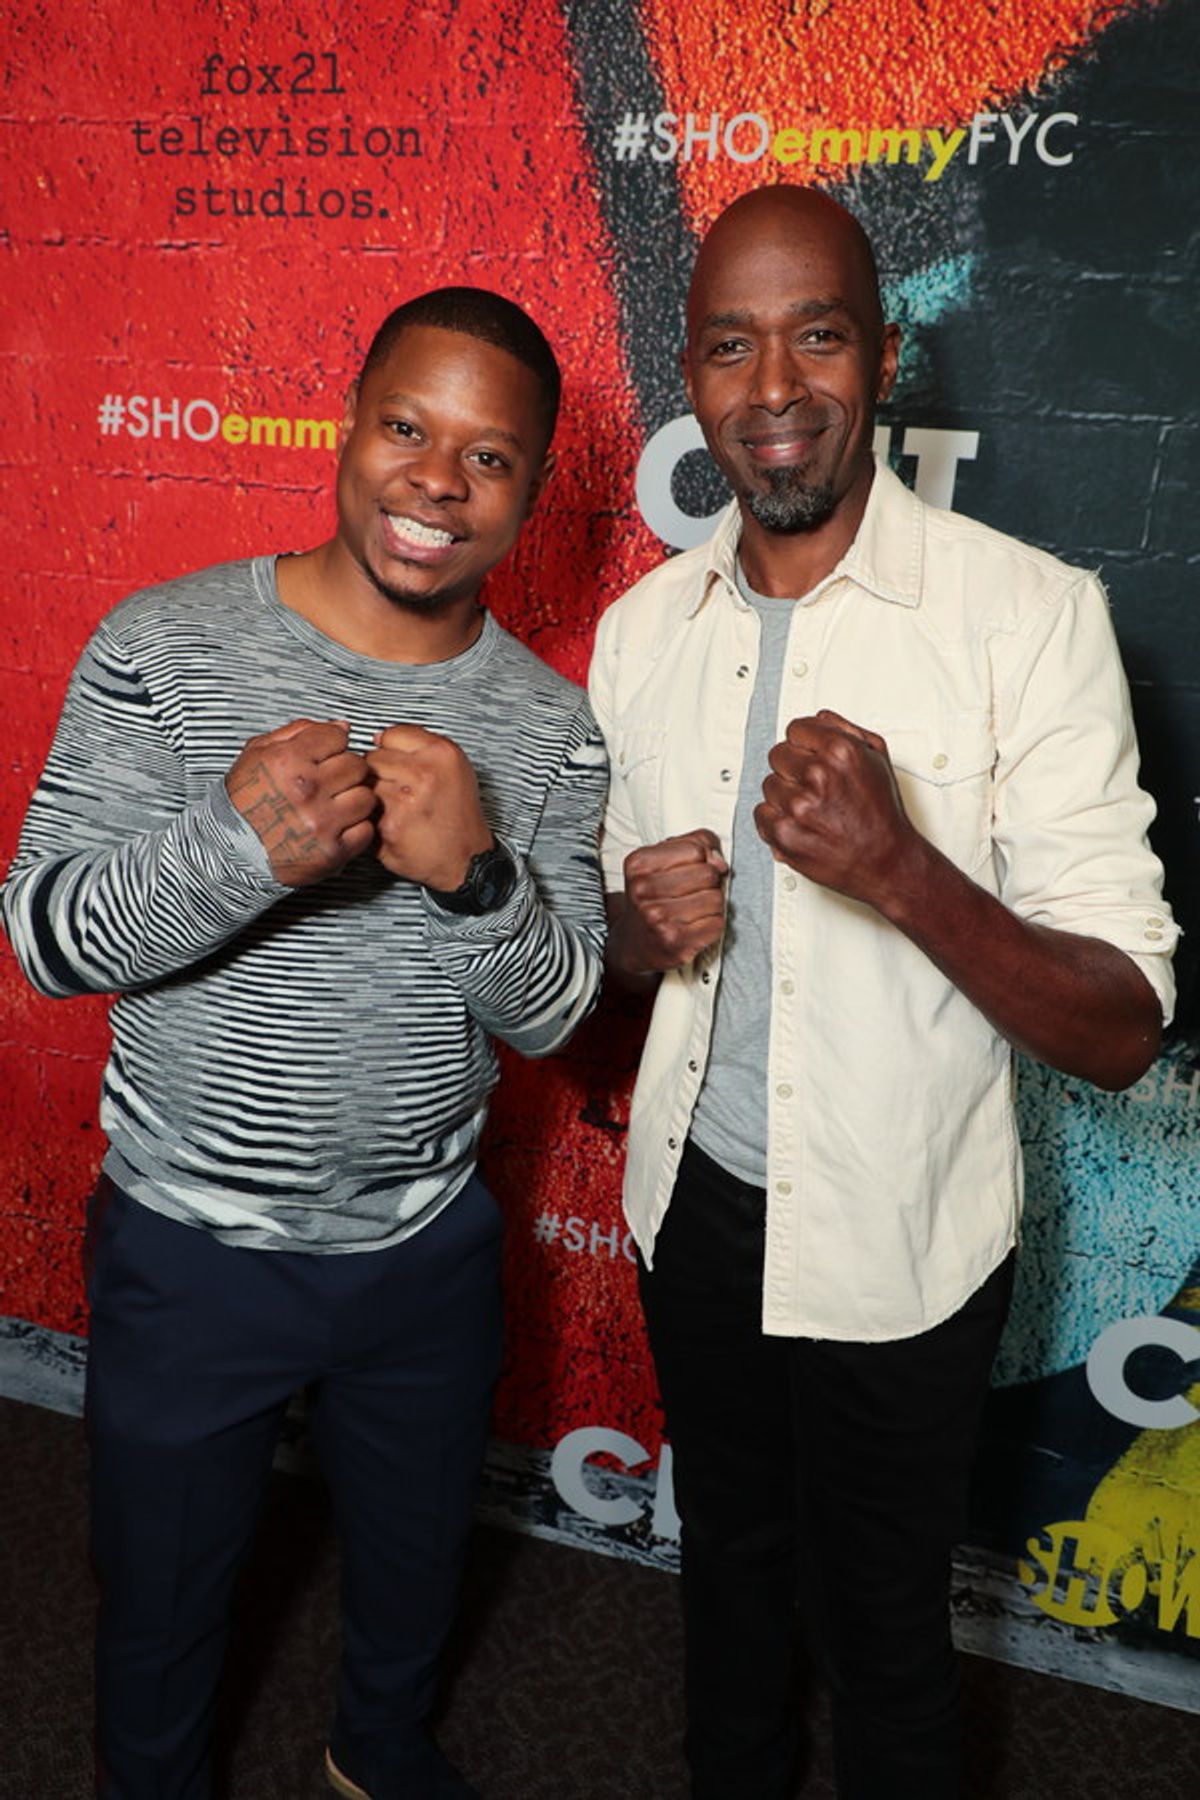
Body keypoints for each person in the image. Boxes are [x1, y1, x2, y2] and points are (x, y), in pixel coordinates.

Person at [588, 186, 1177, 1800]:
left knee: (885, 1641)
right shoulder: (642, 631)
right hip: (696, 1206)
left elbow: (1123, 1027)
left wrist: (903, 871)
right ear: (693, 380)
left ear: (884, 358)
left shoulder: (1030, 619)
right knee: (726, 1588)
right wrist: (639, 929)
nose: (774, 383)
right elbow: (612, 960)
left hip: (906, 1235)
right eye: (731, 344)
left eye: (818, 333)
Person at [2, 287, 607, 1800]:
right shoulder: (164, 644)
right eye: (408, 427)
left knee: (408, 1600)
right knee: (159, 1617)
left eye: (490, 457)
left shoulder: (549, 728)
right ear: (347, 425)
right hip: (192, 1253)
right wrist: (232, 852)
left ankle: (375, 1758)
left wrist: (478, 877)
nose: (436, 482)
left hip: (424, 1255)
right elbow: (46, 937)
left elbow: (559, 1012)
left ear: (533, 491)